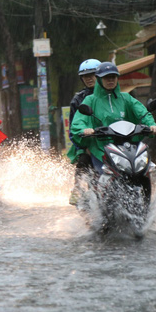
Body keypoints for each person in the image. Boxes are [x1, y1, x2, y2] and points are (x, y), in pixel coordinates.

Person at [70, 61, 156, 176]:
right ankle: (87, 190)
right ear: (99, 80)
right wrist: (84, 130)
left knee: (144, 169)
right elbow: (78, 121)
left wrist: (151, 125)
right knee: (90, 169)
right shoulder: (89, 100)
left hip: (126, 145)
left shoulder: (126, 98)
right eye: (106, 78)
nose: (110, 80)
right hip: (100, 147)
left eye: (113, 77)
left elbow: (142, 112)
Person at [67, 58, 101, 205]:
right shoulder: (78, 99)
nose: (89, 78)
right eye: (85, 76)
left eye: (92, 75)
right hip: (86, 144)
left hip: (110, 142)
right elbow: (73, 129)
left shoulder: (113, 96)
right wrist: (83, 146)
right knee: (84, 162)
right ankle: (78, 192)